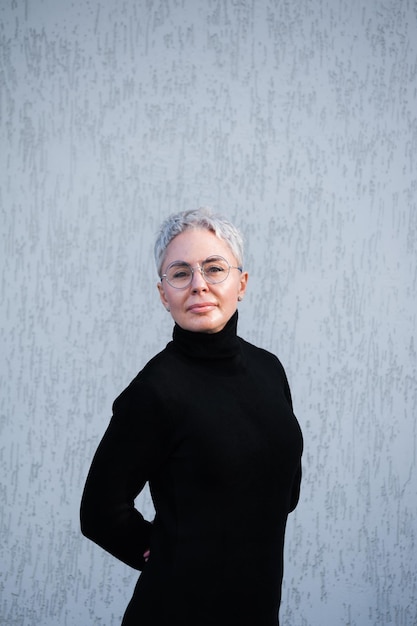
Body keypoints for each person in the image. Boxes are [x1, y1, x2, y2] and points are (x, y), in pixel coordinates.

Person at [80, 207, 303, 626]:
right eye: (180, 274)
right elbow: (99, 513)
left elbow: (284, 490)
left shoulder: (268, 369)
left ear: (242, 283)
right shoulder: (155, 391)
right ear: (164, 295)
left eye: (214, 269)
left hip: (258, 610)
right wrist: (164, 553)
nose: (198, 285)